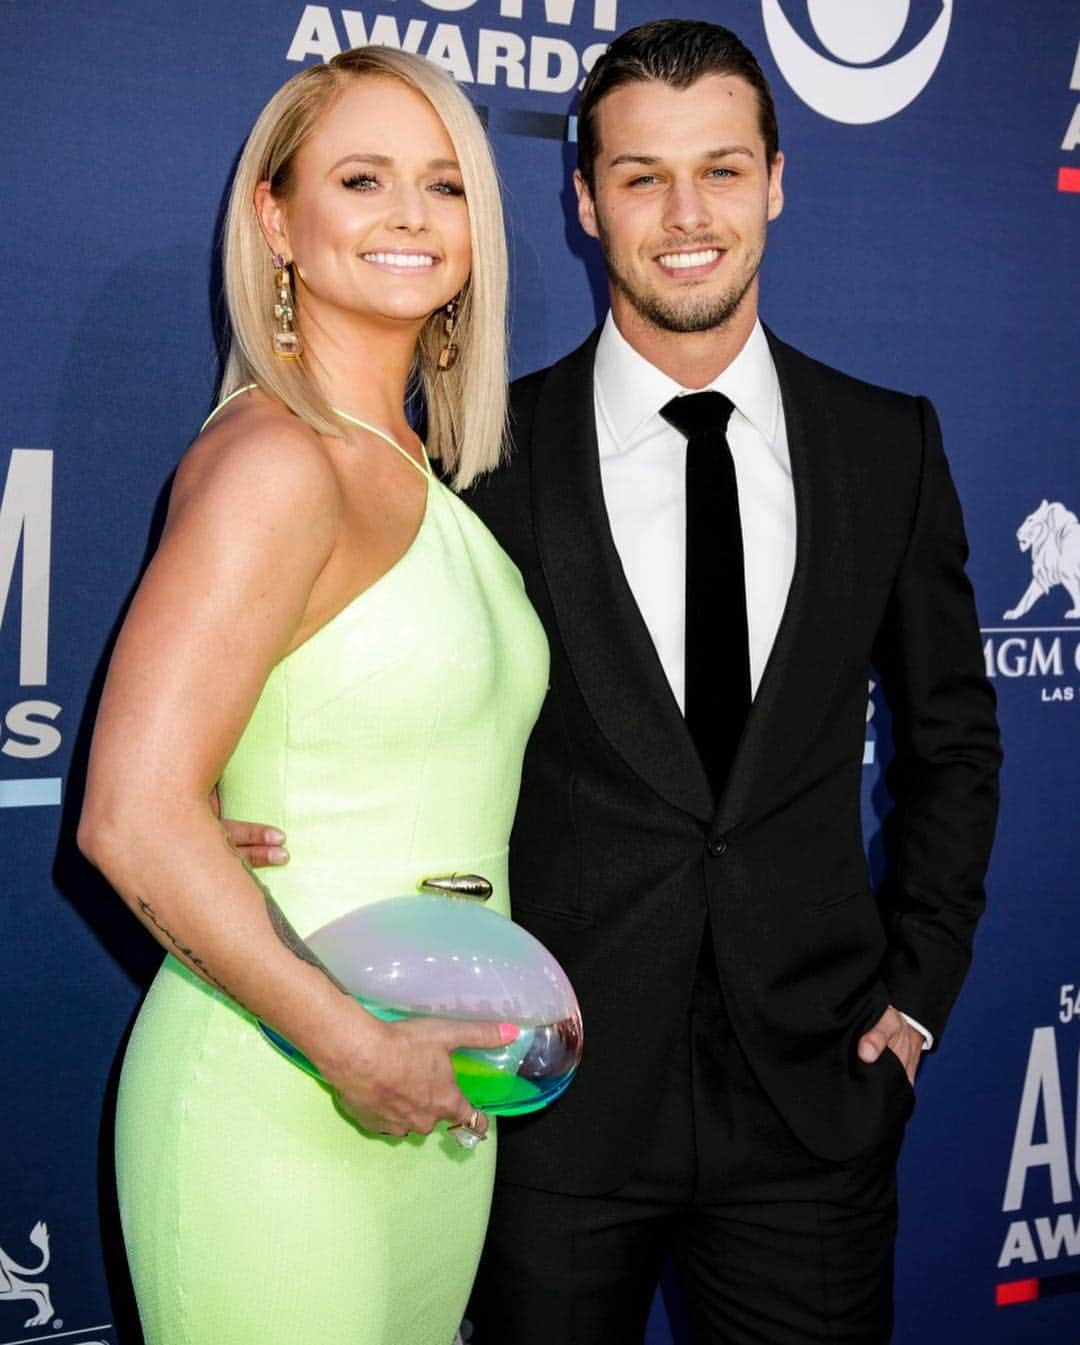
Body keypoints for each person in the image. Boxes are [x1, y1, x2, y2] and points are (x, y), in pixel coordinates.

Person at [228, 20, 1000, 1344]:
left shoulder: (890, 445)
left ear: (776, 180)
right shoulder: (478, 460)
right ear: (585, 202)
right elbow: (375, 703)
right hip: (545, 1105)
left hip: (816, 1109)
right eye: (643, 176)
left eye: (721, 169)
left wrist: (918, 993)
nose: (686, 215)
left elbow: (954, 745)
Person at [78, 46, 547, 1345]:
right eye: (363, 177)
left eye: (445, 185)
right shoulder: (277, 460)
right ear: (277, 221)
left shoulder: (427, 478)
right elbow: (128, 818)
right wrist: (346, 1045)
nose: (410, 216)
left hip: (432, 1101)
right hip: (277, 1093)